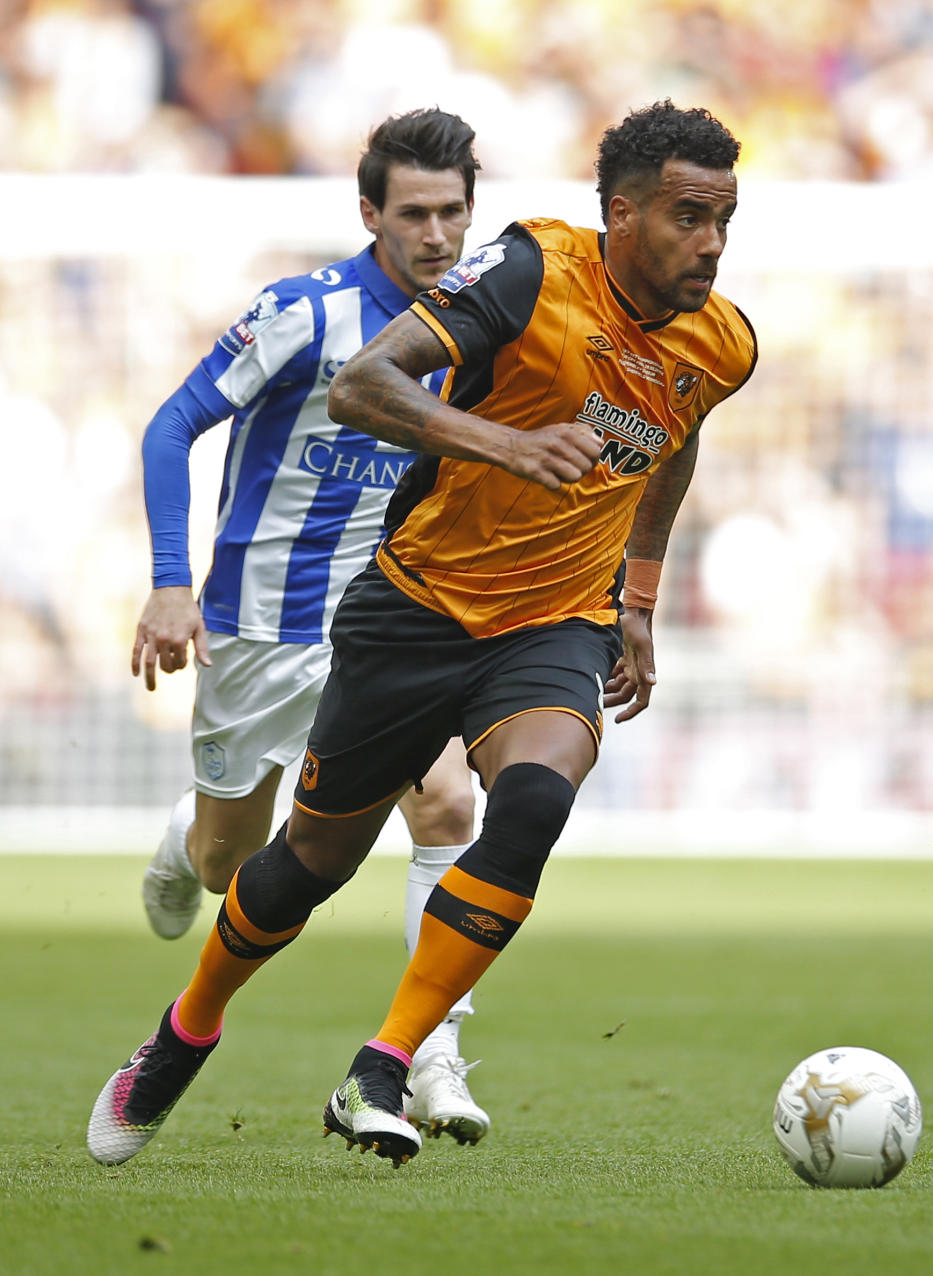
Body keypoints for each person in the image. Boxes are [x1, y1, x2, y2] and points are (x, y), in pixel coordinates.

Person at [88, 99, 757, 1170]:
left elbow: (675, 440)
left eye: (725, 219)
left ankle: (390, 1060)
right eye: (689, 218)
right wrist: (504, 443)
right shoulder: (531, 273)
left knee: (528, 797)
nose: (712, 243)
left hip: (554, 623)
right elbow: (362, 386)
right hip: (409, 610)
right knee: (300, 863)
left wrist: (636, 597)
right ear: (623, 216)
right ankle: (187, 1027)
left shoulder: (724, 343)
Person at [128, 107, 490, 1143]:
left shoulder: (481, 325)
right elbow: (173, 424)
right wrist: (167, 580)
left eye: (453, 213)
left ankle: (429, 1051)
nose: (436, 235)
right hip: (259, 625)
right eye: (413, 213)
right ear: (370, 212)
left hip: (391, 620)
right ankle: (181, 837)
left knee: (448, 804)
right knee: (228, 864)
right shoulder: (304, 312)